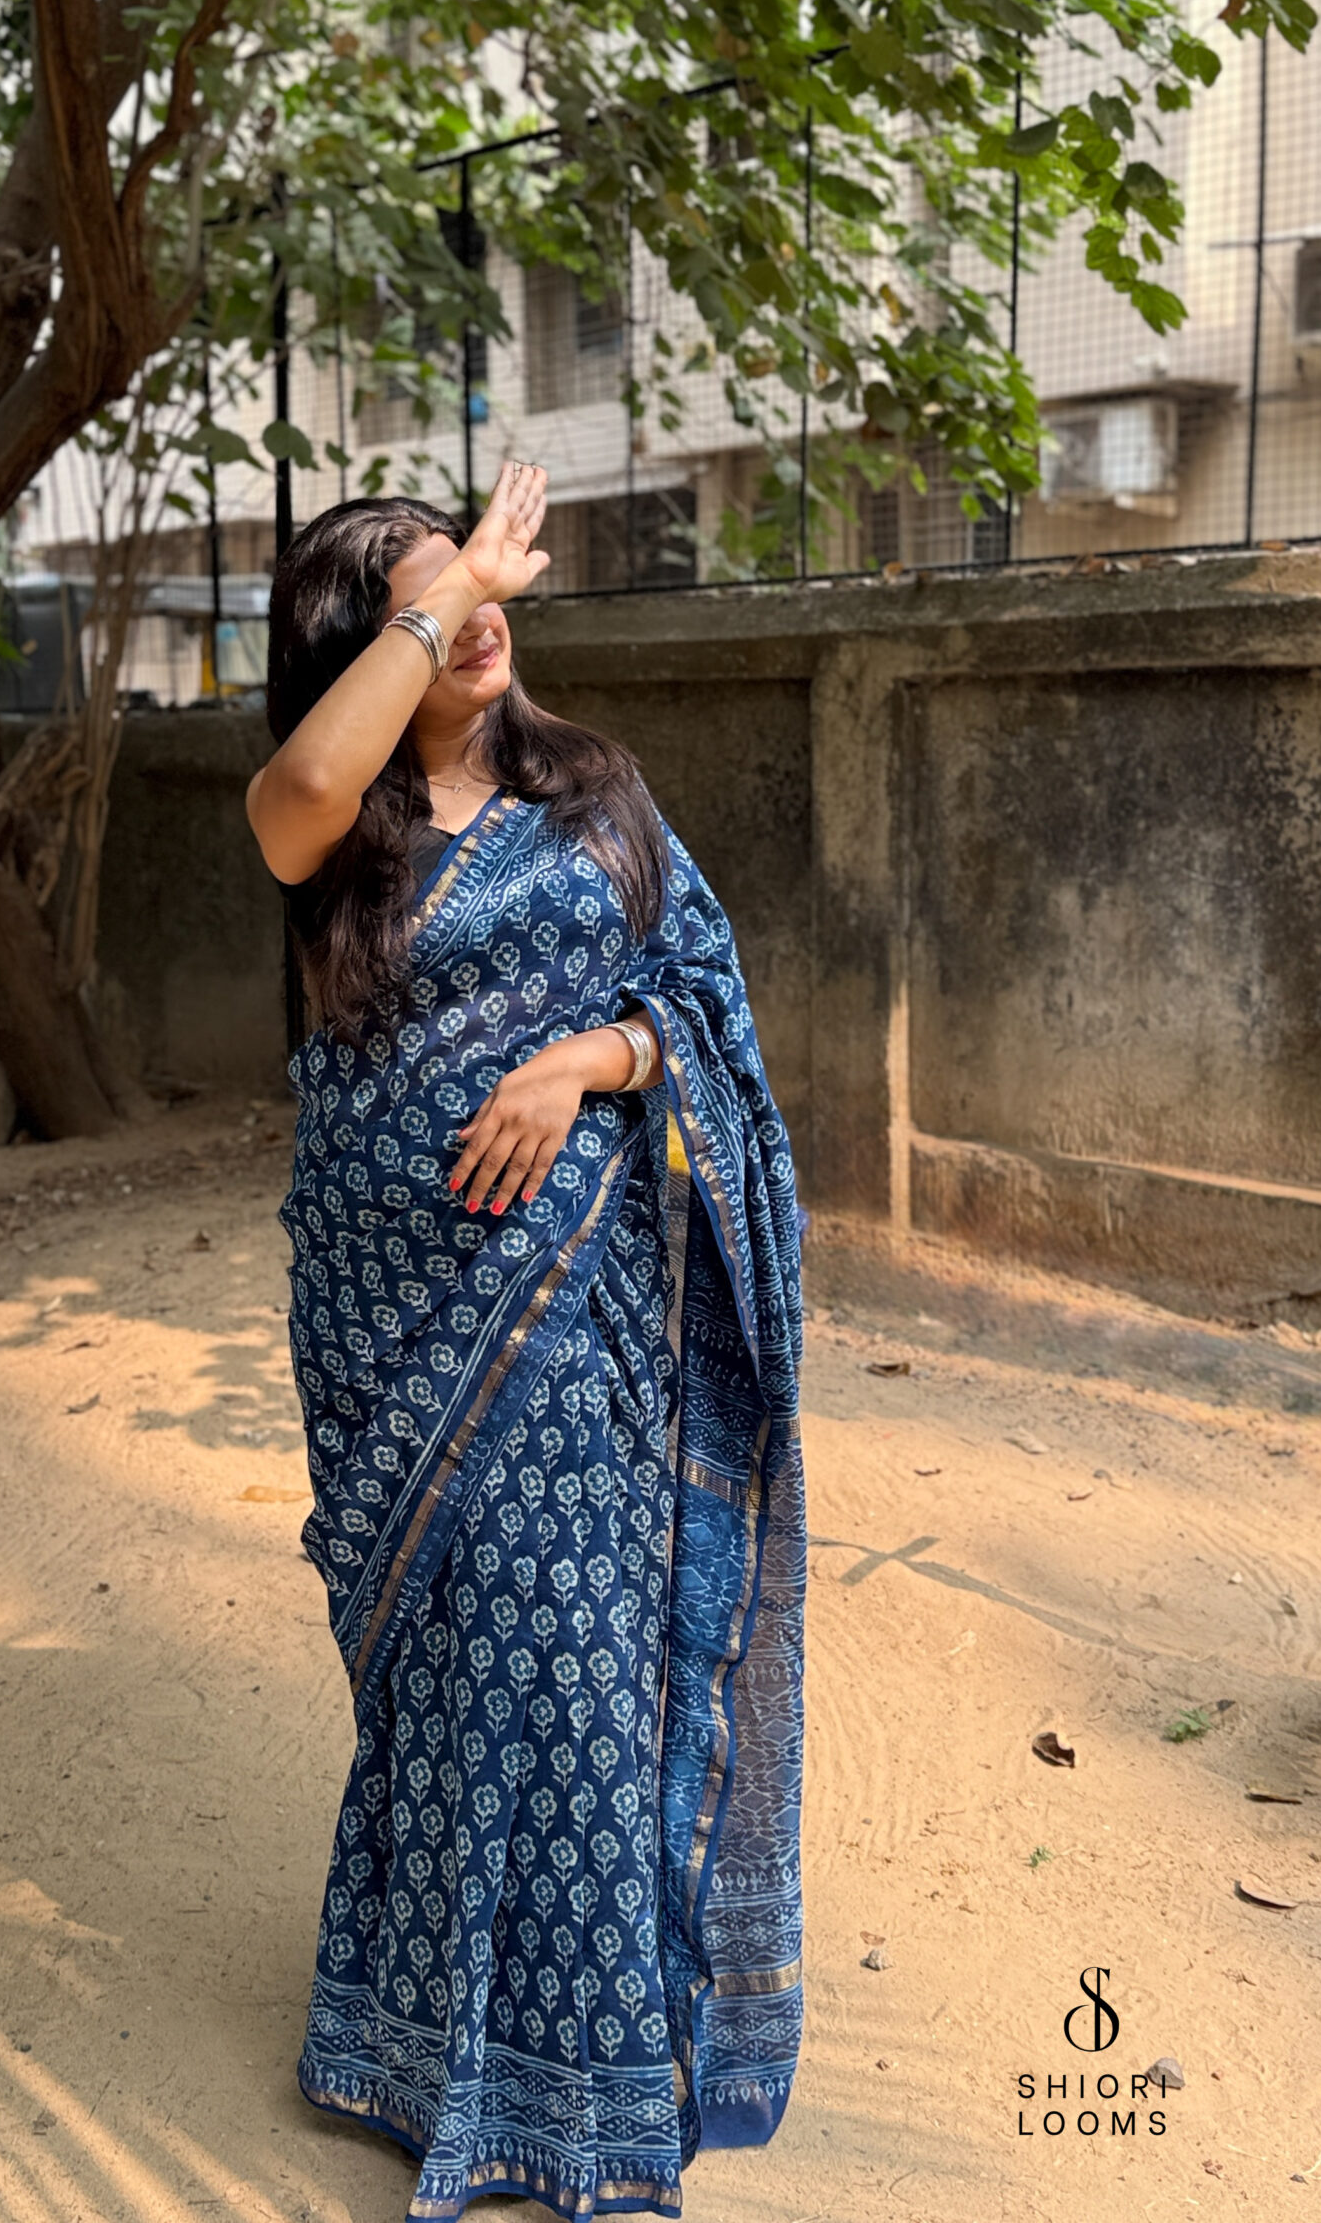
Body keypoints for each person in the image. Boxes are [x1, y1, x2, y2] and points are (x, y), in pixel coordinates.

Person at [245, 460, 807, 2222]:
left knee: (564, 1649)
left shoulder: (598, 793)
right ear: (368, 637)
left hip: (577, 1298)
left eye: (495, 580)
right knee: (441, 1671)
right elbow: (300, 787)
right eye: (434, 590)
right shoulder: (337, 830)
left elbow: (703, 1002)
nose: (489, 604)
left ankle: (582, 2081)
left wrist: (589, 1064)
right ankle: (416, 2043)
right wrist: (446, 581)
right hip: (384, 1312)